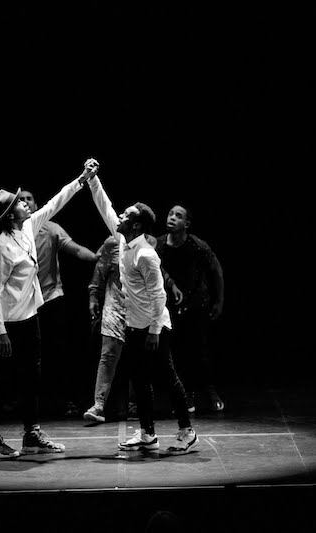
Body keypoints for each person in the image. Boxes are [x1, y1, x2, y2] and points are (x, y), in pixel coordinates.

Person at [0, 158, 99, 459]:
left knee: (32, 377)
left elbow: (55, 203)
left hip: (30, 318)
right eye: (19, 203)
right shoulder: (0, 247)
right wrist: (0, 333)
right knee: (3, 381)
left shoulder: (28, 228)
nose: (26, 204)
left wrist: (81, 179)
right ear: (9, 215)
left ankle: (31, 434)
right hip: (9, 323)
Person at [86, 171, 198, 454]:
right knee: (139, 378)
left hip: (154, 327)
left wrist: (154, 331)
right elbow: (105, 206)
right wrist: (93, 179)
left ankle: (187, 431)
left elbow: (159, 294)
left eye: (127, 214)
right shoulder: (124, 240)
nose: (120, 215)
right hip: (134, 325)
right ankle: (148, 433)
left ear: (135, 224)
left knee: (168, 376)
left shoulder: (145, 254)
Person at [17, 189, 98, 417]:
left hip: (51, 298)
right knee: (26, 354)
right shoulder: (13, 233)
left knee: (58, 351)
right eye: (20, 199)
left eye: (29, 198)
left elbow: (76, 249)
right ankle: (24, 401)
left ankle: (65, 400)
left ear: (36, 204)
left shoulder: (51, 228)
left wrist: (96, 257)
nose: (24, 202)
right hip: (24, 302)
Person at [156, 204, 226, 412]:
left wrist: (219, 301)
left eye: (178, 216)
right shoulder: (158, 245)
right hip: (168, 307)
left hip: (196, 304)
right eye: (170, 214)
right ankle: (182, 395)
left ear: (186, 224)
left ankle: (206, 390)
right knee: (173, 352)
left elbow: (217, 270)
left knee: (199, 351)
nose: (172, 218)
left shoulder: (197, 246)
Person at [83, 233, 155, 424]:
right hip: (114, 303)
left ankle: (135, 404)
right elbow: (100, 270)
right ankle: (98, 405)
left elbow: (155, 277)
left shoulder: (150, 244)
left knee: (138, 357)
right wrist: (93, 295)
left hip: (138, 306)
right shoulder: (112, 242)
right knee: (108, 355)